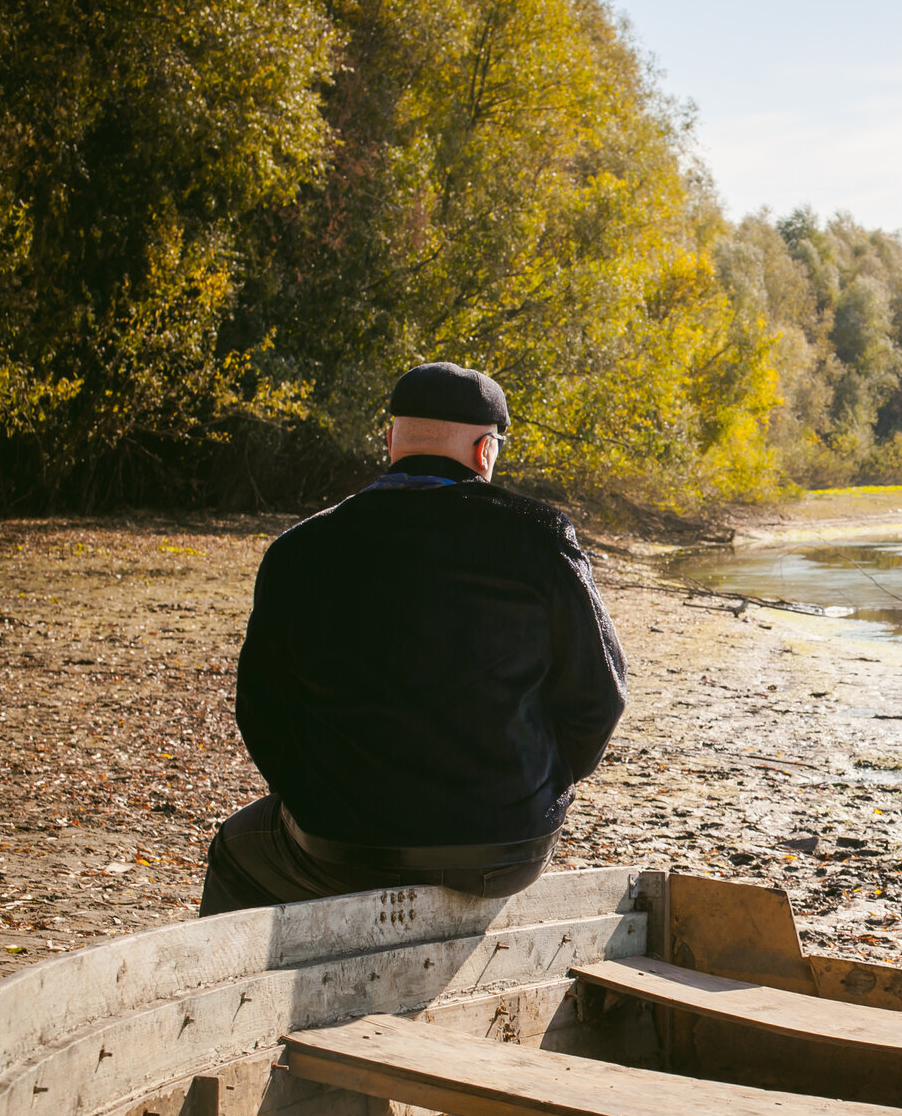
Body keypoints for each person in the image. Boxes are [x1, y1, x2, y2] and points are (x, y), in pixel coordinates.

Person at [200, 362, 627, 915]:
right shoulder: (541, 539)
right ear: (484, 452)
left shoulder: (300, 550)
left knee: (238, 853)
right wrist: (537, 790)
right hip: (507, 844)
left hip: (337, 845)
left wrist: (317, 797)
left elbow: (260, 708)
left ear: (390, 442)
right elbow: (600, 696)